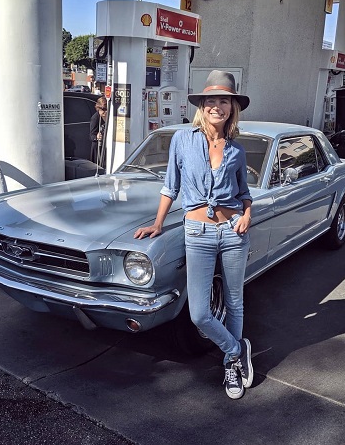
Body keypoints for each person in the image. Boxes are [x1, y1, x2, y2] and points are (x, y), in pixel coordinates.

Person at [134, 70, 253, 400]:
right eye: (211, 101)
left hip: (233, 232)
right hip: (198, 231)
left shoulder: (236, 150)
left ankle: (231, 365)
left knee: (234, 301)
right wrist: (158, 224)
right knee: (199, 312)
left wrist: (247, 215)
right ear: (202, 106)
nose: (217, 106)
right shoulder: (182, 141)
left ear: (232, 107)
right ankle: (236, 350)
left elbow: (245, 192)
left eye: (224, 101)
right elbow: (170, 185)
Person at [90, 97, 107, 170]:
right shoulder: (95, 118)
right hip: (98, 148)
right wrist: (96, 136)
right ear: (98, 109)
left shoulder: (109, 117)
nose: (104, 112)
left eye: (106, 109)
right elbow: (91, 135)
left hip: (106, 145)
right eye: (102, 110)